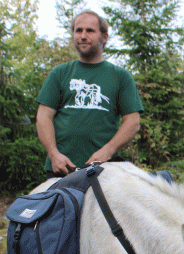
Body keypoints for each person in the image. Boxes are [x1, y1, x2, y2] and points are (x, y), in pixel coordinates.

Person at [36, 10, 143, 178]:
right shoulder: (60, 74)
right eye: (78, 30)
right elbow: (43, 117)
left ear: (104, 37)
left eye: (90, 31)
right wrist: (53, 154)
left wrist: (108, 151)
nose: (83, 36)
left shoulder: (120, 76)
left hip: (105, 171)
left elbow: (133, 121)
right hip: (61, 169)